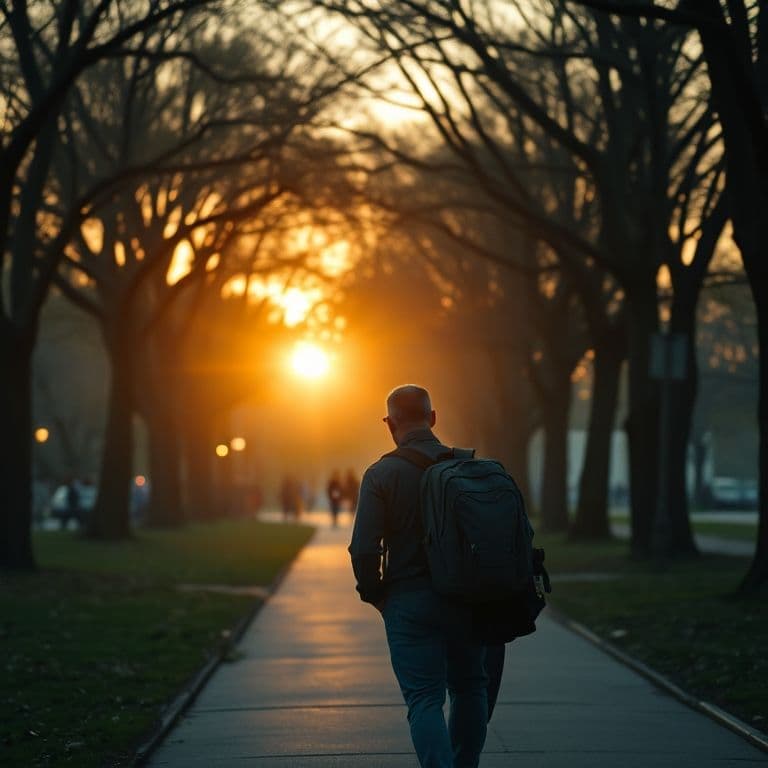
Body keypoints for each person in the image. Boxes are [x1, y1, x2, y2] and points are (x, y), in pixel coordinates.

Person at [349, 384, 488, 768]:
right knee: (470, 688)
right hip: (467, 601)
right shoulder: (467, 467)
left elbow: (363, 549)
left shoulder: (381, 474)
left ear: (389, 423)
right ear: (433, 419)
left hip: (410, 600)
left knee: (425, 699)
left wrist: (376, 595)